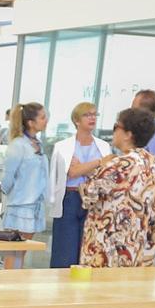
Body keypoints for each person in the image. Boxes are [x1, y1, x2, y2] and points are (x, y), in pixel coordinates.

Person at [79, 106, 155, 269]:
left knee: (100, 290)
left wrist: (98, 168)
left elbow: (89, 196)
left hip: (108, 244)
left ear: (128, 134)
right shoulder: (154, 163)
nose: (114, 132)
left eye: (116, 127)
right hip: (137, 242)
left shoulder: (119, 164)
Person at [48, 101, 104, 268]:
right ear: (77, 120)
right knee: (65, 250)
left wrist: (83, 167)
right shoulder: (63, 147)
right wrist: (97, 164)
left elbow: (104, 175)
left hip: (93, 199)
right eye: (87, 115)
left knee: (87, 248)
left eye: (94, 114)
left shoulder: (103, 146)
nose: (92, 118)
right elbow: (70, 173)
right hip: (70, 197)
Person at [0, 103, 51, 239]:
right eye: (43, 117)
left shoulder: (38, 144)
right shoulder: (17, 145)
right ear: (31, 123)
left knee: (22, 251)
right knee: (14, 252)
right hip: (20, 206)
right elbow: (7, 179)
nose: (46, 121)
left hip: (35, 205)